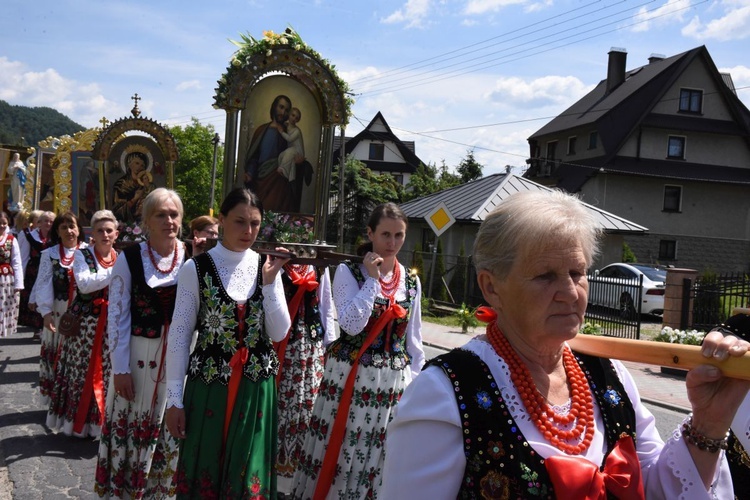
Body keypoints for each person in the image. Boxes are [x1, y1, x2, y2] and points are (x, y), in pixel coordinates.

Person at [381, 189, 750, 498]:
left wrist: (710, 422)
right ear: (491, 286)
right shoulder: (444, 393)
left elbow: (658, 490)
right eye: (545, 276)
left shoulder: (609, 376)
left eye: (578, 273)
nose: (570, 292)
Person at [164, 187, 291, 497]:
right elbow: (179, 336)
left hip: (255, 390)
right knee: (205, 469)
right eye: (239, 222)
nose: (248, 231)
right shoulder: (196, 268)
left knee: (248, 475)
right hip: (209, 389)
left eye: (255, 223)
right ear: (220, 220)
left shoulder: (267, 267)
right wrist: (174, 400)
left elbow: (278, 332)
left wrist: (271, 284)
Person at [292, 202, 424, 499]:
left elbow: (414, 342)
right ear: (370, 233)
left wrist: (413, 388)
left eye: (399, 235)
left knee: (380, 455)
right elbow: (351, 324)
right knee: (343, 448)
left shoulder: (412, 282)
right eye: (385, 234)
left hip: (392, 386)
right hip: (351, 378)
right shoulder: (348, 271)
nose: (392, 243)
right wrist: (373, 281)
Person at [94, 188, 186, 499]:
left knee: (169, 426)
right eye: (161, 214)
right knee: (132, 424)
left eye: (174, 214)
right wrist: (119, 369)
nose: (169, 220)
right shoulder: (130, 258)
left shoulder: (190, 258)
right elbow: (117, 317)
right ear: (146, 219)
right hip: (136, 357)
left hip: (176, 362)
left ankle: (161, 493)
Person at [47, 210, 118, 437]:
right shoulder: (82, 255)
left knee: (106, 373)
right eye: (100, 230)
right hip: (85, 326)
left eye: (109, 231)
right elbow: (85, 284)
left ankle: (99, 425)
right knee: (80, 372)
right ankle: (75, 424)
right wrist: (117, 272)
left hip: (111, 325)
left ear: (116, 234)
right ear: (92, 234)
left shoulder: (119, 256)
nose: (105, 235)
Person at [275, 260, 335, 495]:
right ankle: (274, 476)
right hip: (282, 350)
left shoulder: (319, 266)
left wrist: (330, 347)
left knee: (307, 410)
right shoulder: (273, 263)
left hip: (311, 352)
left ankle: (296, 480)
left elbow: (326, 309)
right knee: (280, 408)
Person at [33, 212, 87, 405]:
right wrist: (46, 313)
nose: (69, 231)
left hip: (84, 314)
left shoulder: (89, 252)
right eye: (63, 227)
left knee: (79, 359)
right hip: (58, 311)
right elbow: (43, 283)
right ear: (57, 231)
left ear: (79, 229)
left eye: (72, 226)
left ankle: (75, 401)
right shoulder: (50, 254)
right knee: (56, 354)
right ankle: (55, 400)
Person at [244, 94, 300, 213]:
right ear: (274, 107)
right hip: (261, 180)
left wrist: (297, 160)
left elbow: (295, 151)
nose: (283, 112)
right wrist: (249, 172)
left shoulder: (288, 132)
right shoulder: (261, 130)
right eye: (281, 107)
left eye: (286, 110)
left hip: (279, 180)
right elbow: (254, 156)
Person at [18, 210, 53, 336]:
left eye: (51, 221)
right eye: (45, 221)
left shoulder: (56, 237)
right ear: (39, 223)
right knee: (35, 298)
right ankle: (38, 328)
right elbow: (23, 257)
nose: (48, 224)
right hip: (33, 271)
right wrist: (20, 277)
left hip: (50, 270)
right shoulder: (30, 236)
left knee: (47, 296)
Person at [112, 151, 155, 224]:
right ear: (129, 164)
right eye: (137, 163)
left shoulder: (147, 185)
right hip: (125, 224)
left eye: (142, 165)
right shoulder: (121, 184)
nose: (139, 167)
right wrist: (135, 198)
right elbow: (116, 209)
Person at [0, 210, 23, 337]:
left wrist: (18, 284)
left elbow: (17, 262)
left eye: (4, 223)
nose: (2, 226)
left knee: (4, 308)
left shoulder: (11, 239)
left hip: (6, 281)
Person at [277, 107, 304, 181]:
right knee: (281, 155)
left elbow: (289, 139)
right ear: (289, 115)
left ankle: (283, 170)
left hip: (298, 152)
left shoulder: (297, 131)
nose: (294, 119)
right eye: (293, 115)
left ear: (297, 120)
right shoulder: (287, 125)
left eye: (296, 118)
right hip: (291, 150)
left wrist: (281, 132)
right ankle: (286, 175)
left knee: (289, 152)